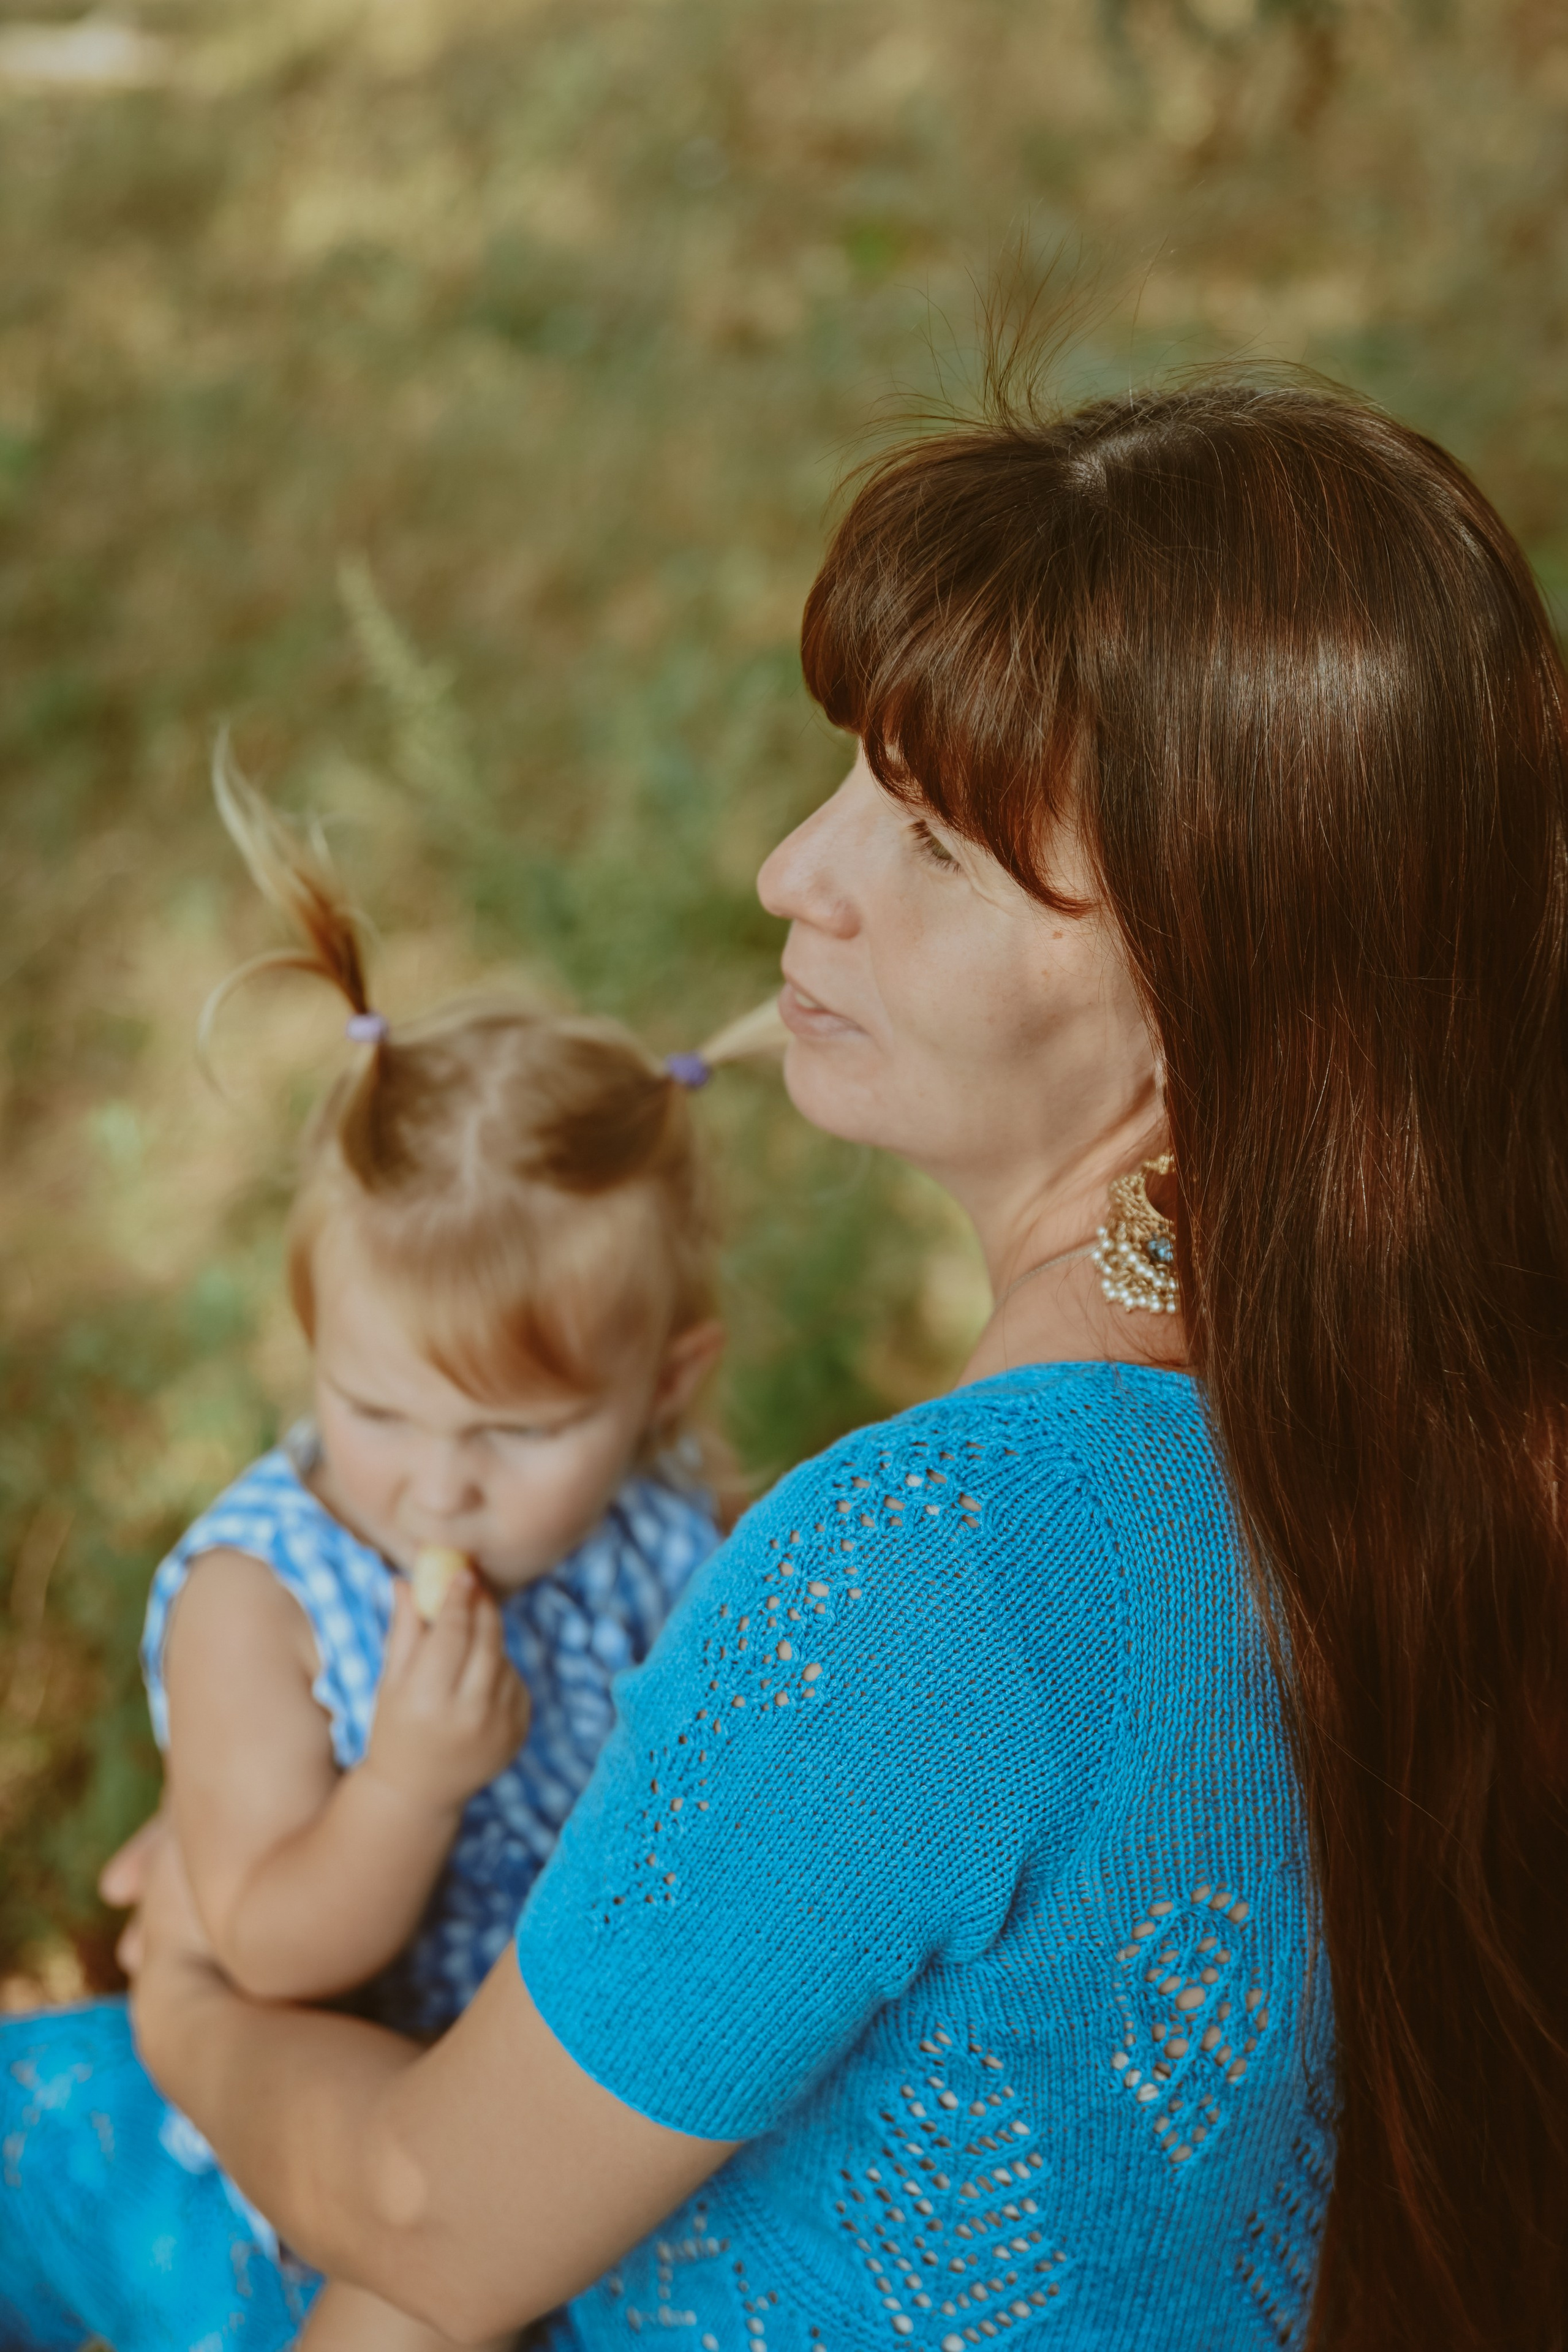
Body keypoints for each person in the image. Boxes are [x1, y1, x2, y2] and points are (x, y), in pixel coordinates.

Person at [7, 363, 1568, 2352]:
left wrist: (195, 2001)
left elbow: (428, 2211)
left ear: (1207, 980)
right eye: (853, 777)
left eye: (928, 837)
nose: (787, 874)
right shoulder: (1474, 1411)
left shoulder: (932, 1575)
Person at [0, 759, 742, 2352]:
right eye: (378, 1411)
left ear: (661, 1391)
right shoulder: (259, 1599)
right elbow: (263, 1943)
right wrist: (407, 1781)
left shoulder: (659, 1527)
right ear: (314, 1342)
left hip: (594, 2049)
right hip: (359, 2086)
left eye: (521, 1436)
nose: (437, 1493)